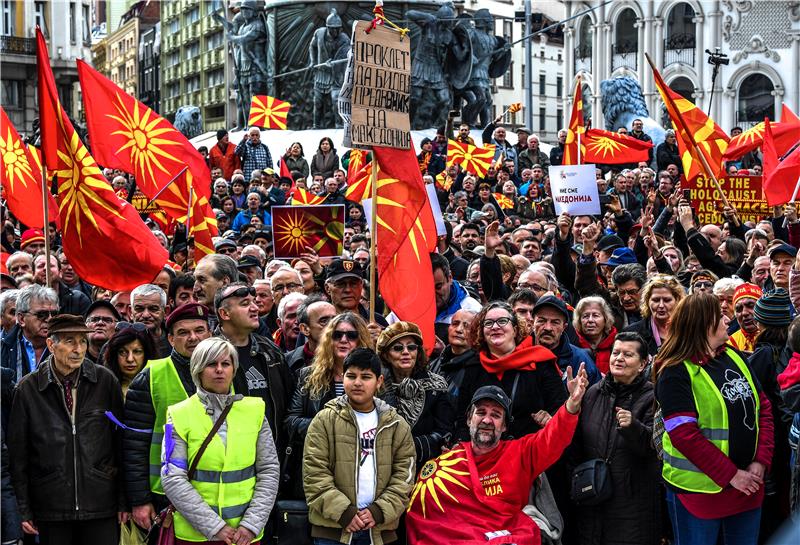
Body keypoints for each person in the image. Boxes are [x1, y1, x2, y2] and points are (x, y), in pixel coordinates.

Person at [406, 367, 589, 544]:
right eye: (481, 412)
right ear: (469, 419)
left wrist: (572, 404)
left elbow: (554, 437)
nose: (487, 420)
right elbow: (423, 520)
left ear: (504, 426)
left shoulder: (521, 453)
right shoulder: (445, 465)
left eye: (496, 415)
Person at [655, 293, 774, 545]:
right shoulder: (675, 371)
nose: (727, 319)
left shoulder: (733, 356)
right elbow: (684, 436)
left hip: (747, 489)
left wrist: (761, 461)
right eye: (720, 316)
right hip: (700, 495)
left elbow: (762, 407)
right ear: (703, 324)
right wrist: (732, 475)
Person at [8, 314, 125, 544]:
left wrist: (123, 500)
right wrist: (23, 508)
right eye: (70, 341)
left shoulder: (104, 381)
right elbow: (18, 455)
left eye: (82, 341)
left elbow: (120, 443)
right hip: (51, 505)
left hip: (100, 502)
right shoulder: (28, 389)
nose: (79, 349)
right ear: (51, 344)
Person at [161, 337, 280, 544]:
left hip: (245, 535)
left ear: (233, 369)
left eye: (225, 364)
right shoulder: (179, 414)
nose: (219, 369)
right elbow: (173, 478)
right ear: (198, 369)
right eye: (211, 364)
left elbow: (269, 469)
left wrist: (251, 524)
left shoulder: (255, 411)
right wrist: (215, 527)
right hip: (194, 536)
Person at [302, 347, 416, 545]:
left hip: (378, 531)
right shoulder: (324, 420)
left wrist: (378, 511)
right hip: (333, 530)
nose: (357, 383)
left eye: (366, 377)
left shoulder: (397, 425)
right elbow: (314, 474)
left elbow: (404, 478)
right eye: (351, 376)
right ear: (342, 377)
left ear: (379, 381)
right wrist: (345, 512)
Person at [123, 303, 213, 533]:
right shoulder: (151, 376)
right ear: (171, 339)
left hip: (216, 493)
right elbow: (134, 445)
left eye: (199, 330)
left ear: (210, 334)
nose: (193, 338)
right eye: (183, 332)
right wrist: (139, 500)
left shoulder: (228, 370)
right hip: (165, 496)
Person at [571, 332, 662, 545]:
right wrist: (571, 406)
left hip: (632, 504)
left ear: (642, 364)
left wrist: (633, 427)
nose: (619, 358)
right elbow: (576, 445)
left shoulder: (652, 397)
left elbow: (656, 448)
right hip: (592, 499)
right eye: (616, 352)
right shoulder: (592, 393)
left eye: (628, 354)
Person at [285, 312, 374, 499]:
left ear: (361, 340)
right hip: (318, 467)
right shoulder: (308, 376)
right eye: (337, 335)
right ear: (328, 339)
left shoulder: (377, 376)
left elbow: (385, 421)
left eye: (351, 335)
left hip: (362, 469)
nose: (344, 340)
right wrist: (330, 427)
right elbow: (291, 421)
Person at [455, 301, 568, 441]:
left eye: (502, 321)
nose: (495, 327)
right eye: (489, 323)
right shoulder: (473, 366)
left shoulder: (540, 362)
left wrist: (549, 417)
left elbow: (560, 409)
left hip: (527, 452)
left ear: (515, 329)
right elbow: (462, 417)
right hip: (483, 453)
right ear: (482, 332)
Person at [214, 282, 293, 458]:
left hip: (272, 455)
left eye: (254, 302)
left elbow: (288, 402)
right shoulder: (209, 356)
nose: (254, 308)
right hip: (229, 457)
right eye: (244, 304)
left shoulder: (270, 351)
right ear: (224, 313)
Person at [376, 322, 453, 470]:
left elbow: (445, 430)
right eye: (398, 348)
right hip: (383, 467)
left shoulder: (437, 384)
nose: (406, 352)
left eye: (411, 347)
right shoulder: (376, 386)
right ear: (385, 355)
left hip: (425, 467)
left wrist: (411, 447)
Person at [531, 295, 601, 385]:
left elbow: (598, 396)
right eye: (542, 321)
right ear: (533, 323)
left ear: (564, 327)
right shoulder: (518, 354)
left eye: (555, 322)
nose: (548, 328)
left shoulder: (582, 362)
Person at [1, 284, 57, 382]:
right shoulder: (3, 347)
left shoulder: (64, 345)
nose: (50, 319)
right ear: (21, 319)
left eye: (54, 314)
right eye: (42, 314)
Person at [623, 274, 685, 356]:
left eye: (667, 300)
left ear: (678, 300)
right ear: (647, 301)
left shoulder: (690, 330)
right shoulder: (631, 333)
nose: (661, 305)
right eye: (656, 300)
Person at [103, 323, 156, 398]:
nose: (130, 359)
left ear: (147, 354)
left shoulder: (158, 385)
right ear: (114, 355)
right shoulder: (103, 385)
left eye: (137, 351)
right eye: (123, 352)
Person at [573, 296, 618, 375]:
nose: (590, 320)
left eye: (595, 315)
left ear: (605, 319)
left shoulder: (617, 343)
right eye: (585, 316)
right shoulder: (572, 343)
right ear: (579, 321)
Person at [729, 283, 763, 354]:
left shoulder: (776, 337)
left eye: (750, 306)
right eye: (738, 309)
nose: (744, 313)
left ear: (762, 308)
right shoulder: (729, 344)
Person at [84, 299, 121, 364]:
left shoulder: (124, 360)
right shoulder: (73, 359)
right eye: (94, 319)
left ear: (117, 328)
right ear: (85, 326)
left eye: (107, 320)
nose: (100, 323)